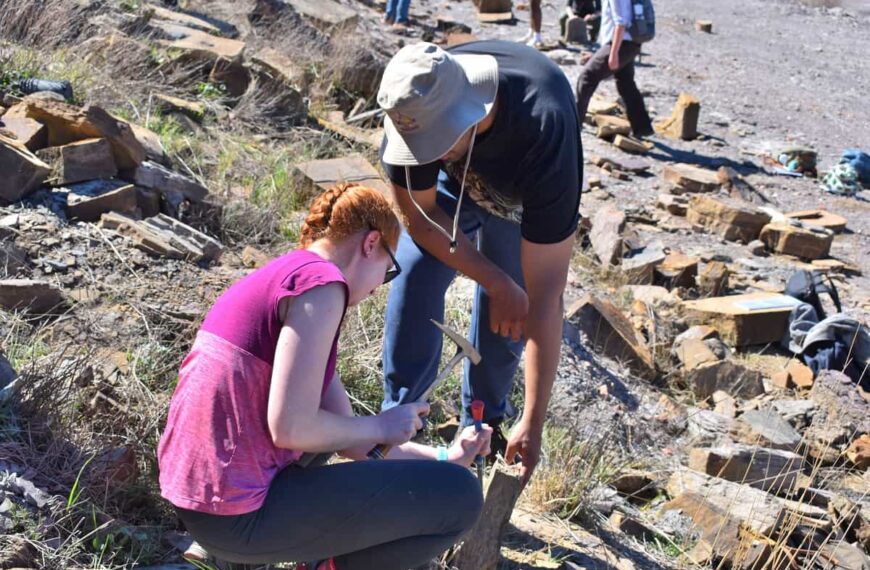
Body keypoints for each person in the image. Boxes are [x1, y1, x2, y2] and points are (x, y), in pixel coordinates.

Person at [157, 183, 492, 570]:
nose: (376, 289)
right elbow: (292, 429)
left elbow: (350, 440)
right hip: (234, 519)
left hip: (202, 507)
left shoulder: (290, 278)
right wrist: (382, 425)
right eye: (387, 271)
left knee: (442, 474)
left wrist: (445, 456)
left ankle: (308, 560)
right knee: (461, 497)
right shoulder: (323, 287)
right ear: (371, 244)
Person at [377, 41, 582, 484]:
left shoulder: (545, 131)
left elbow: (546, 295)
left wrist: (535, 420)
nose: (425, 156)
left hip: (514, 196)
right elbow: (419, 218)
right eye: (419, 148)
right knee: (417, 274)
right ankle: (397, 429)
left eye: (437, 145)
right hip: (452, 189)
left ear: (470, 113)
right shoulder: (414, 102)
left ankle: (482, 433)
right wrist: (492, 279)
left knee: (510, 313)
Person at [575, 0, 654, 137]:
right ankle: (642, 127)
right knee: (626, 83)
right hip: (629, 44)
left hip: (622, 43)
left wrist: (613, 53)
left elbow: (621, 22)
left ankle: (574, 123)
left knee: (587, 77)